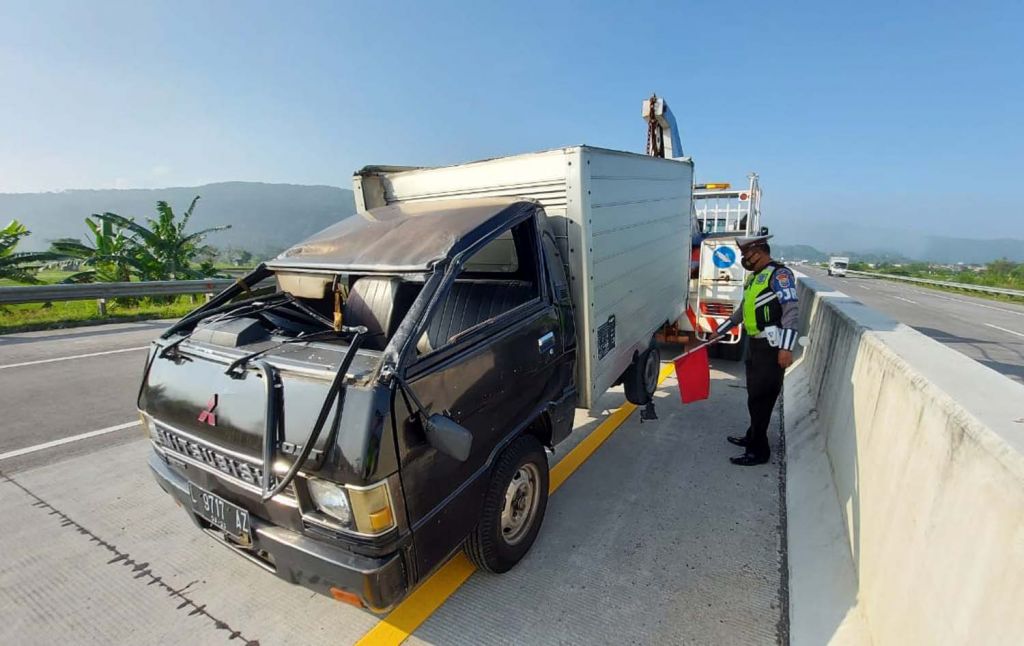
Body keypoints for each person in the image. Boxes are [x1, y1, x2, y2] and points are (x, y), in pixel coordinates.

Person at [709, 234, 799, 466]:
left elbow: (790, 311)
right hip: (755, 345)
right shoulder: (755, 278)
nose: (744, 259)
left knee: (762, 398)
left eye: (746, 254)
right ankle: (752, 435)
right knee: (754, 396)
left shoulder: (779, 275)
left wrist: (786, 348)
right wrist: (721, 329)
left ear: (758, 251)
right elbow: (742, 311)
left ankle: (759, 451)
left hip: (772, 347)